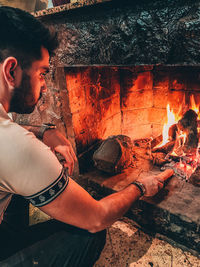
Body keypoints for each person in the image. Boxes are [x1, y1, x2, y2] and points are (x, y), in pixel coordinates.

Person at [0, 6, 174, 267]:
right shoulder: (16, 147)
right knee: (89, 234)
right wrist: (140, 186)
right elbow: (97, 216)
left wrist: (45, 131)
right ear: (11, 70)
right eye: (42, 73)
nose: (45, 84)